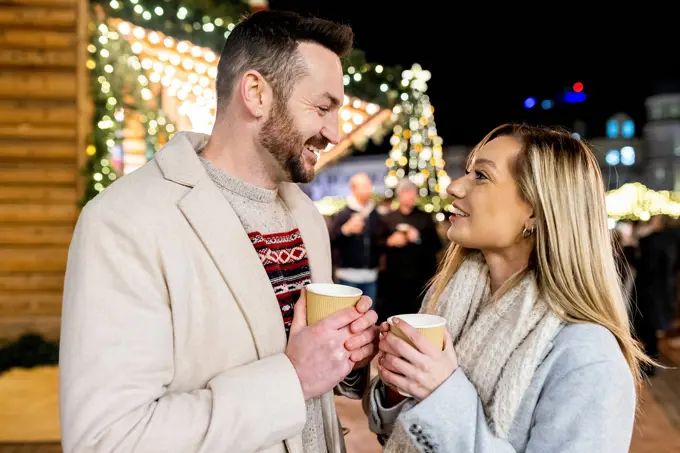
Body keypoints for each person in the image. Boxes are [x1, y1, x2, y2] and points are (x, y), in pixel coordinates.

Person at [59, 10, 379, 453]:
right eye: (322, 108)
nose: (333, 131)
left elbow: (311, 384)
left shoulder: (306, 216)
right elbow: (108, 439)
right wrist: (293, 378)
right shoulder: (122, 222)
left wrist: (344, 358)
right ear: (255, 93)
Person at [364, 124, 649, 452]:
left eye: (481, 176)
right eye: (467, 172)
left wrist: (441, 394)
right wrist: (400, 385)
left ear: (535, 209)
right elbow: (398, 433)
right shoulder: (448, 300)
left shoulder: (587, 356)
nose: (456, 186)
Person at [380, 179, 442, 322]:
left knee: (417, 317)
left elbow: (437, 245)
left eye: (414, 192)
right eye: (407, 192)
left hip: (419, 279)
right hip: (394, 279)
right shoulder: (388, 218)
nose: (411, 196)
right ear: (399, 195)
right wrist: (390, 241)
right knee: (394, 317)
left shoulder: (425, 217)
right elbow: (377, 244)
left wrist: (418, 238)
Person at [330, 172, 386, 304]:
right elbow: (331, 239)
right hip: (348, 275)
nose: (369, 189)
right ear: (354, 189)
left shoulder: (374, 213)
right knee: (347, 313)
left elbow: (380, 239)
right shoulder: (344, 213)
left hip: (371, 274)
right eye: (364, 185)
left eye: (369, 185)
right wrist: (345, 230)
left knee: (368, 314)